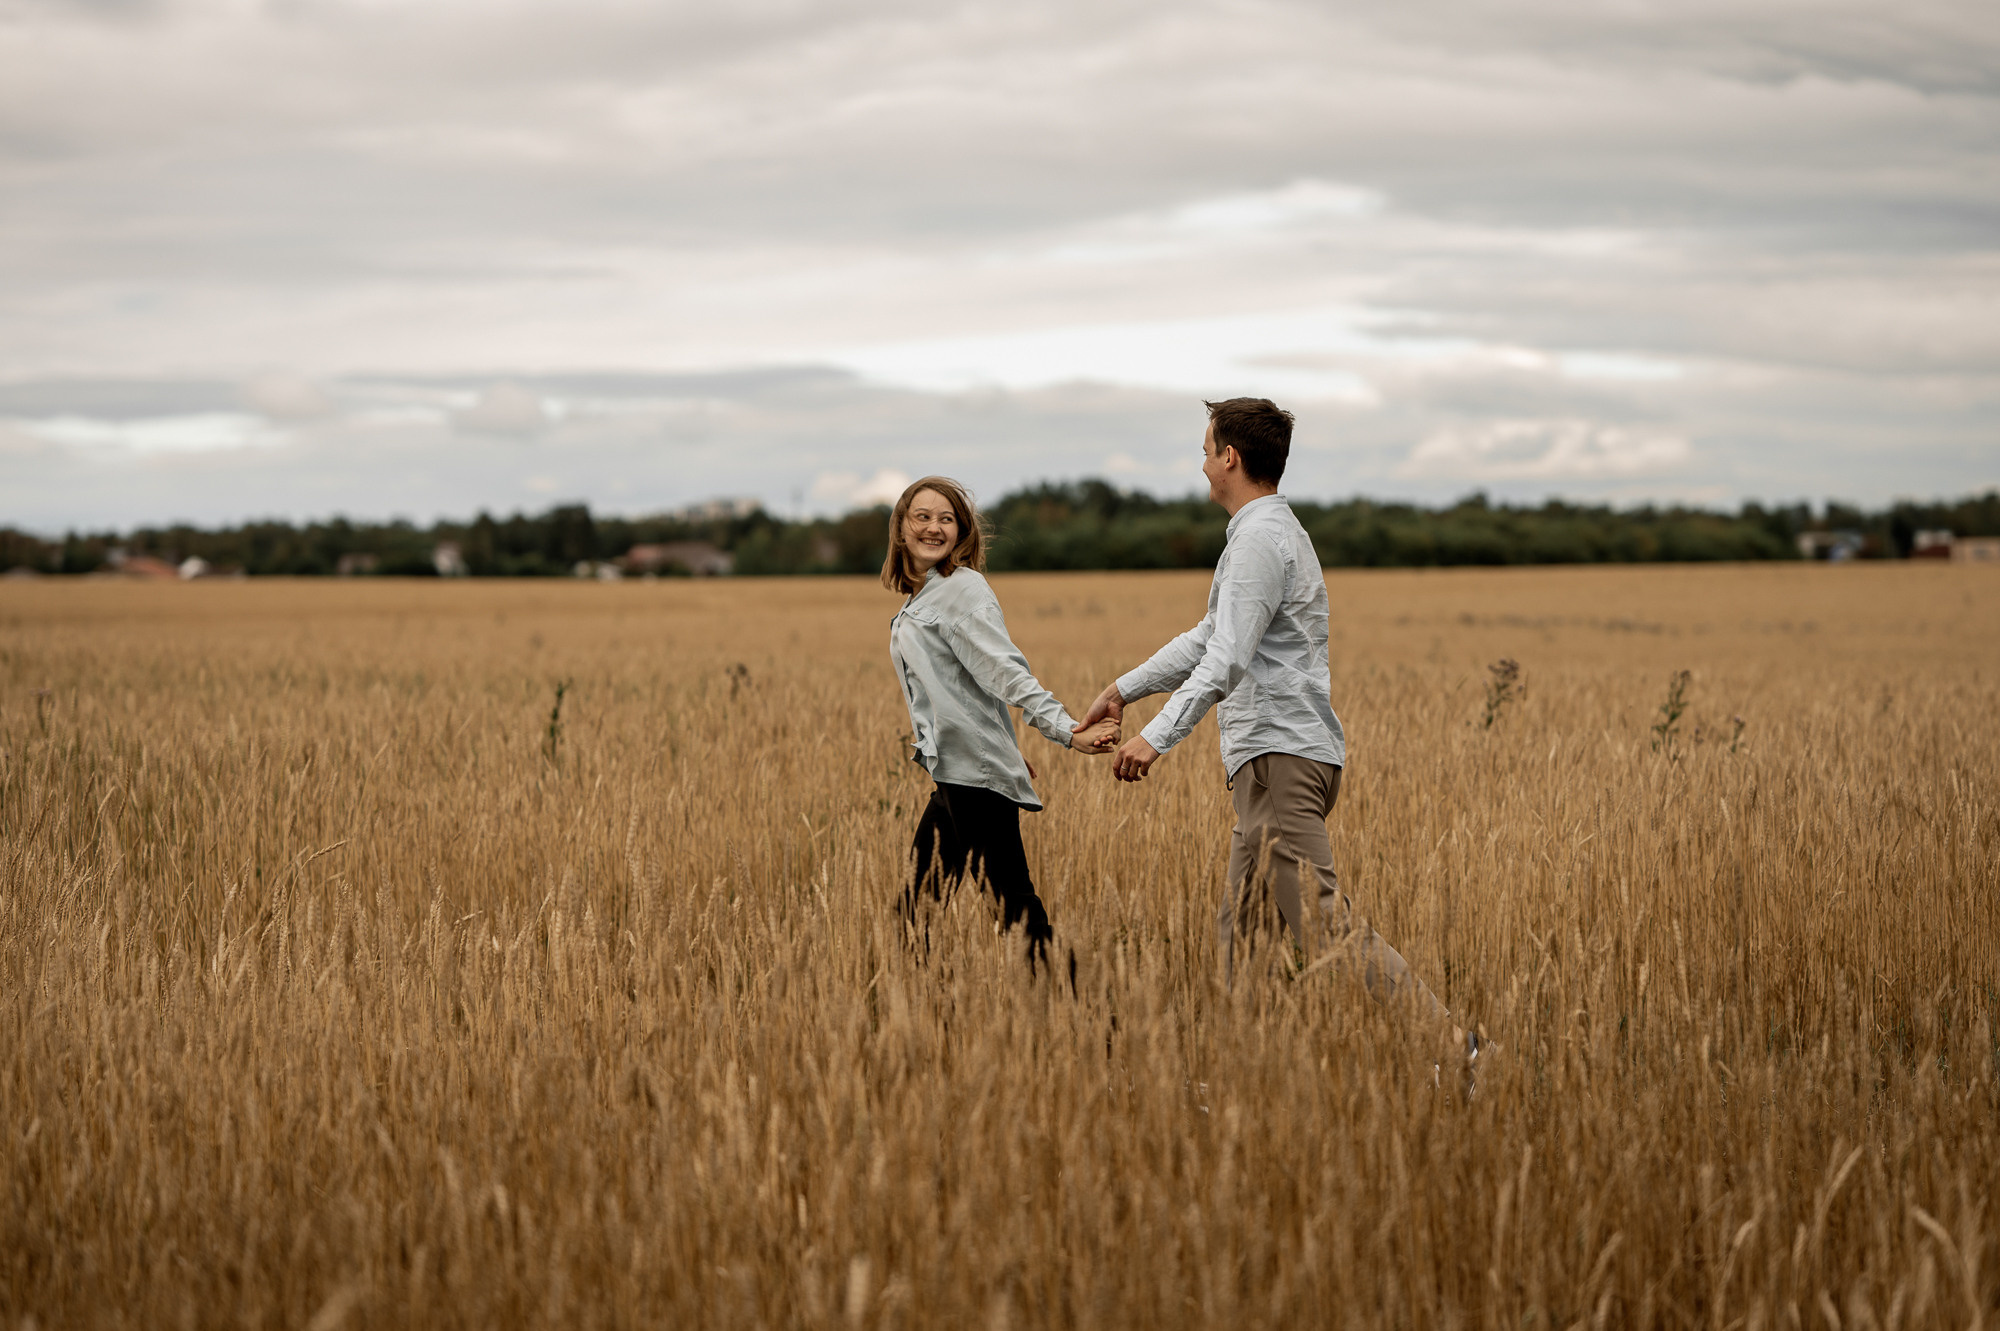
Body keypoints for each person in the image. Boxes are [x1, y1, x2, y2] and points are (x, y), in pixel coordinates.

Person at [1073, 399, 1490, 1077]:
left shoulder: (1260, 540)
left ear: (1230, 457)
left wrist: (1155, 736)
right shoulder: (1264, 534)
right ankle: (1249, 1088)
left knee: (1323, 923)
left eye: (1206, 451)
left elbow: (1226, 657)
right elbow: (1209, 637)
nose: (1202, 464)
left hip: (1278, 762)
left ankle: (1461, 1053)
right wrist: (1123, 689)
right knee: (1244, 939)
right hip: (1273, 762)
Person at [885, 475, 1120, 975]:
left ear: (962, 531)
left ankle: (1078, 1006)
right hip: (956, 772)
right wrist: (1003, 745)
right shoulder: (924, 596)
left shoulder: (961, 589)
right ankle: (926, 1008)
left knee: (1013, 910)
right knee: (917, 909)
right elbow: (966, 689)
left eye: (946, 518)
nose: (934, 527)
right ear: (901, 528)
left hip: (973, 777)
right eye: (922, 517)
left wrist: (1066, 730)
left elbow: (1004, 673)